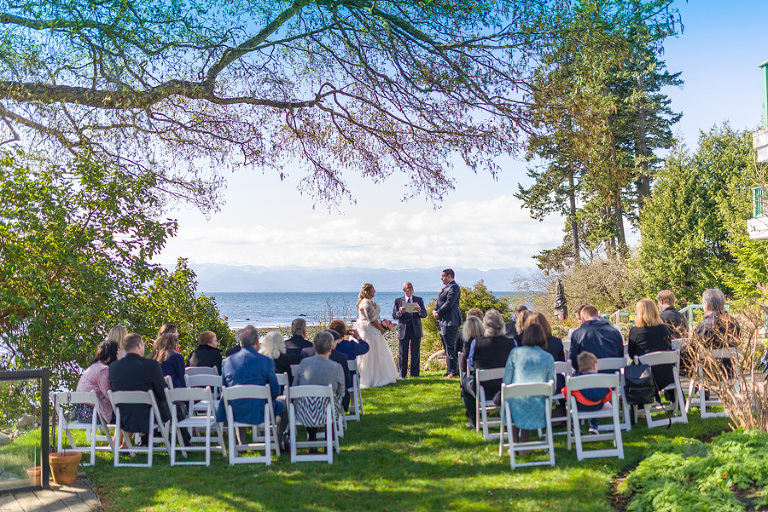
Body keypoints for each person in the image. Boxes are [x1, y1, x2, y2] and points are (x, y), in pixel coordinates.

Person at [216, 325, 286, 440]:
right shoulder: (266, 361)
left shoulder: (227, 361)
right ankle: (278, 439)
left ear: (240, 342)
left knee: (238, 401)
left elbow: (224, 388)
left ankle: (241, 443)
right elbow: (275, 391)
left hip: (235, 410)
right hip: (261, 409)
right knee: (285, 404)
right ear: (257, 342)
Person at [500, 323, 555, 441]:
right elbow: (553, 386)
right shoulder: (548, 357)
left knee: (513, 401)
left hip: (515, 403)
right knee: (530, 403)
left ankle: (514, 442)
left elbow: (506, 380)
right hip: (538, 406)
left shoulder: (515, 353)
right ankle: (524, 444)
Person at [109, 333, 171, 436]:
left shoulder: (113, 367)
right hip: (147, 416)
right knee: (174, 406)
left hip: (123, 416)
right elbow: (162, 393)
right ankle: (184, 442)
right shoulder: (151, 365)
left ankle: (127, 444)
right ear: (139, 345)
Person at [462, 310, 515, 428]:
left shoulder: (477, 343)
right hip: (507, 388)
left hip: (483, 390)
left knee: (465, 384)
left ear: (485, 325)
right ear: (502, 325)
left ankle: (475, 421)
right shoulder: (512, 343)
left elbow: (471, 363)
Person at [293, 331, 345, 447]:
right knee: (333, 401)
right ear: (331, 348)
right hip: (328, 411)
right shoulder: (336, 367)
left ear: (314, 347)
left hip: (304, 412)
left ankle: (312, 440)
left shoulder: (304, 363)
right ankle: (329, 442)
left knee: (311, 402)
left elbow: (295, 386)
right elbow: (341, 391)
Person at [354, 283, 399, 388]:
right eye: (373, 289)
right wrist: (382, 328)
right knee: (375, 352)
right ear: (369, 291)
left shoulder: (361, 302)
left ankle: (367, 376)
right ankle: (375, 377)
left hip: (364, 329)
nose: (375, 291)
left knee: (369, 353)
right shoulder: (367, 303)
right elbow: (372, 319)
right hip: (371, 329)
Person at [561, 351, 612, 435]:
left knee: (574, 407)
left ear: (580, 369)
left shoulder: (576, 381)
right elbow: (608, 394)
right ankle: (594, 426)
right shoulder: (602, 380)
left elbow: (566, 392)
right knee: (596, 401)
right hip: (597, 407)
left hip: (580, 407)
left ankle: (576, 428)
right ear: (595, 366)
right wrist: (602, 400)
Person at [628, 299, 674, 391]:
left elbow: (632, 355)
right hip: (666, 376)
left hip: (644, 376)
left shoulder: (635, 331)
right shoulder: (664, 329)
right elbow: (669, 347)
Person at [693, 288, 740, 376]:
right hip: (730, 371)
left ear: (706, 305)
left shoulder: (704, 325)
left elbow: (693, 348)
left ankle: (700, 390)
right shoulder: (734, 323)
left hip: (707, 372)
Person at [301, 329, 351, 411]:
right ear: (331, 346)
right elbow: (346, 382)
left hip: (307, 408)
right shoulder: (340, 359)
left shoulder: (305, 358)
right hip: (330, 406)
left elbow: (297, 383)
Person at [75, 340, 119, 423]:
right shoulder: (103, 370)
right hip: (92, 413)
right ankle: (123, 436)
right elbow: (109, 394)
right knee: (125, 416)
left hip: (80, 412)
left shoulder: (93, 366)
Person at [569, 305, 624, 371]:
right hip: (612, 376)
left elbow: (574, 361)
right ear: (599, 317)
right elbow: (620, 357)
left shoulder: (578, 334)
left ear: (583, 319)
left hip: (587, 378)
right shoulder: (614, 332)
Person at [392, 281, 428, 378]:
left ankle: (415, 374)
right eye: (408, 287)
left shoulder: (418, 300)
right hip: (403, 329)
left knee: (415, 352)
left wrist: (420, 310)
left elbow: (424, 314)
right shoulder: (398, 300)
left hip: (415, 328)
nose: (411, 289)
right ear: (404, 290)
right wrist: (400, 312)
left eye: (411, 287)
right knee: (402, 353)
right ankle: (402, 374)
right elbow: (394, 315)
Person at [523, 311, 566, 392]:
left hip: (534, 385)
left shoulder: (525, 345)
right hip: (556, 384)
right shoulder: (556, 342)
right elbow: (562, 362)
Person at [433, 268, 462, 378]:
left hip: (451, 320)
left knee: (451, 347)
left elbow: (449, 303)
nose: (442, 278)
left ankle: (454, 372)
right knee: (446, 347)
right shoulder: (445, 288)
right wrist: (435, 310)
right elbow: (440, 302)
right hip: (443, 321)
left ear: (450, 276)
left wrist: (439, 312)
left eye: (443, 276)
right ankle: (449, 369)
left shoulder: (454, 287)